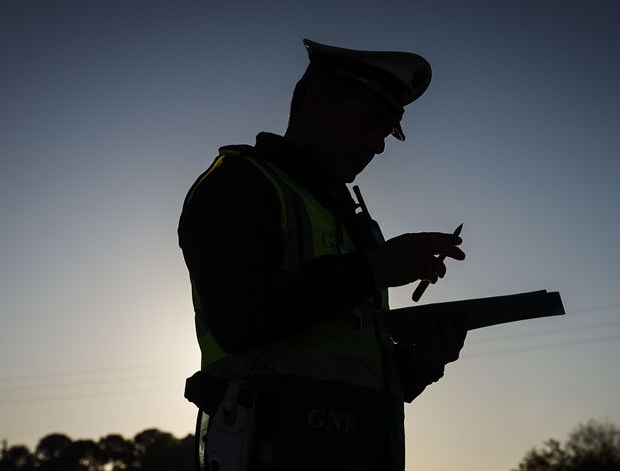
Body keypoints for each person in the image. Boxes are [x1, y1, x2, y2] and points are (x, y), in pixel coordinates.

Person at [178, 38, 468, 471]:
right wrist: (375, 267)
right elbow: (239, 320)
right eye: (369, 121)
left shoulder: (357, 226)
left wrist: (420, 362)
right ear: (316, 98)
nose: (377, 145)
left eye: (386, 132)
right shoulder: (238, 183)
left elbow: (352, 369)